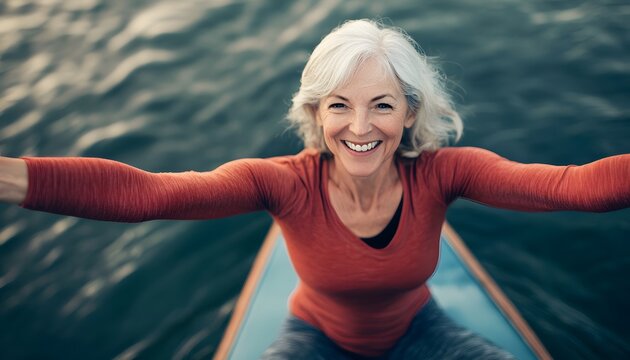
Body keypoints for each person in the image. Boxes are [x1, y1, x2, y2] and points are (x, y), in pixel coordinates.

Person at [0, 19, 628, 359]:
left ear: (409, 113)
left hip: (422, 333)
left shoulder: (445, 172)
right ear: (316, 113)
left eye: (382, 105)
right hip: (313, 341)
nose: (360, 127)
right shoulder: (281, 184)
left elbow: (575, 188)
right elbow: (147, 195)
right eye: (339, 106)